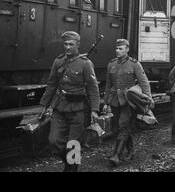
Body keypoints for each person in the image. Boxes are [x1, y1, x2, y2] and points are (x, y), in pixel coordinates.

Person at [38, 31, 99, 172]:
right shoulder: (58, 61)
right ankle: (72, 162)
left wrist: (95, 110)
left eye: (71, 44)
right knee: (54, 142)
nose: (67, 47)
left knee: (73, 144)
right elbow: (52, 84)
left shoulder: (85, 64)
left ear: (77, 45)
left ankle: (71, 168)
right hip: (59, 107)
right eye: (65, 44)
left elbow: (93, 88)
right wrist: (44, 105)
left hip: (78, 109)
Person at [103, 39, 152, 166]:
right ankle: (130, 150)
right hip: (114, 101)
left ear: (127, 49)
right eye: (117, 48)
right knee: (116, 127)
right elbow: (108, 85)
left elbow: (144, 82)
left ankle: (116, 155)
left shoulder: (135, 64)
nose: (118, 51)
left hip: (128, 101)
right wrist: (106, 102)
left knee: (123, 125)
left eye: (121, 48)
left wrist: (148, 98)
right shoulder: (111, 64)